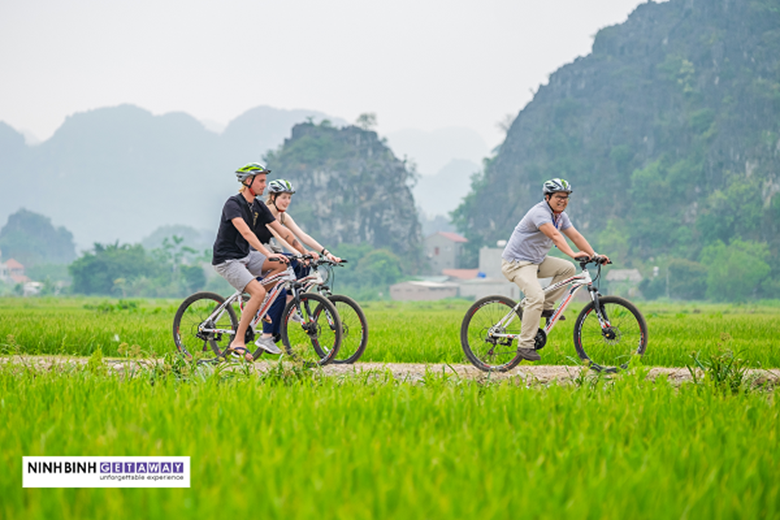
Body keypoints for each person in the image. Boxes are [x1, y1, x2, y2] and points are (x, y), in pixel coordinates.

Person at [211, 162, 312, 361]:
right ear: (248, 181)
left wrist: (304, 252)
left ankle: (259, 302)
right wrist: (267, 253)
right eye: (261, 181)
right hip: (228, 259)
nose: (265, 186)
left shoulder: (257, 206)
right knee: (258, 290)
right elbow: (247, 233)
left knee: (283, 264)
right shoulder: (233, 204)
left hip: (246, 256)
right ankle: (238, 341)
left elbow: (283, 231)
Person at [501, 178, 608, 362]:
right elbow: (555, 236)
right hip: (517, 263)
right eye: (559, 197)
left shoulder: (560, 216)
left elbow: (574, 235)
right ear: (548, 197)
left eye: (566, 197)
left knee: (567, 269)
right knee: (535, 296)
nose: (563, 200)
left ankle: (544, 307)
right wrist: (573, 253)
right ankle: (525, 344)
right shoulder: (540, 213)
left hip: (536, 261)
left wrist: (595, 254)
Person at [256, 178, 342, 342]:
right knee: (294, 264)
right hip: (258, 255)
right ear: (273, 197)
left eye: (289, 198)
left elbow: (302, 236)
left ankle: (291, 304)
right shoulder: (264, 213)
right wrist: (299, 253)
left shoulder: (283, 216)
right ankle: (269, 331)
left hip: (273, 254)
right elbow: (281, 237)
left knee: (304, 264)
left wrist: (326, 253)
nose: (287, 201)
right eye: (283, 197)